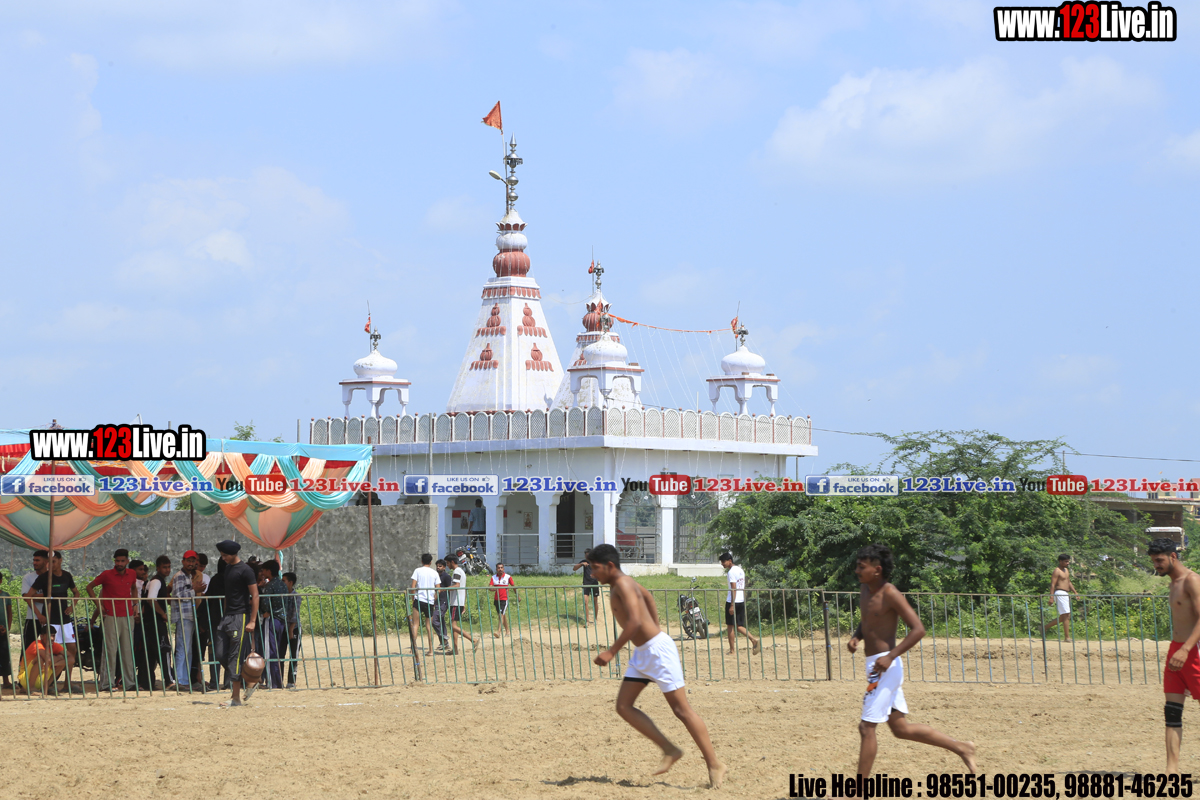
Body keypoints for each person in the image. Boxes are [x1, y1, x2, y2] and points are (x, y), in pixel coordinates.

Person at [588, 543, 725, 789]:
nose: (592, 573)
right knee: (623, 706)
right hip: (644, 653)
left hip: (658, 652)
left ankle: (715, 764)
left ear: (609, 566)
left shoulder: (624, 584)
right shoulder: (622, 584)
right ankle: (670, 749)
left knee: (682, 710)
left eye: (595, 568)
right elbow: (648, 597)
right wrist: (656, 627)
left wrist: (612, 651)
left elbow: (635, 621)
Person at [847, 543, 977, 777]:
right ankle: (962, 747)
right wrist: (857, 636)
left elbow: (918, 629)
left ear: (877, 570)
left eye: (861, 567)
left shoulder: (890, 593)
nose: (857, 570)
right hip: (877, 665)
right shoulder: (865, 589)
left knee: (866, 727)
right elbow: (867, 619)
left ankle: (858, 791)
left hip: (885, 667)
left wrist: (890, 656)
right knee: (901, 729)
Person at [1149, 537, 1200, 773]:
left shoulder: (1192, 580)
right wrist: (1179, 649)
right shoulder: (1172, 583)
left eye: (1159, 560)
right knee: (1171, 711)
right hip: (1176, 650)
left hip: (1193, 651)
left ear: (1173, 556)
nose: (1156, 565)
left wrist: (1186, 649)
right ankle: (1171, 772)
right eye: (1153, 561)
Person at [84, 548, 140, 692]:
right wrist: (99, 605)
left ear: (127, 561)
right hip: (111, 615)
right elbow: (89, 587)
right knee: (110, 650)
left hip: (127, 615)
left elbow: (134, 588)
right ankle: (106, 683)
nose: (119, 563)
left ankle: (129, 682)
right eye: (117, 561)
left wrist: (135, 605)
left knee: (127, 650)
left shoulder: (132, 573)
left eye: (122, 561)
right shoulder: (106, 574)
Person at [24, 550, 80, 692]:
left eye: (53, 561)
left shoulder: (67, 575)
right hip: (50, 618)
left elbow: (76, 592)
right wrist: (39, 615)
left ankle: (67, 684)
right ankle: (47, 684)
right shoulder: (44, 577)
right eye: (49, 562)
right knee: (50, 652)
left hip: (65, 619)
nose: (51, 564)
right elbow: (28, 596)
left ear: (60, 560)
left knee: (72, 649)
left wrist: (72, 606)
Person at [214, 539, 259, 707]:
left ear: (233, 554)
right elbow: (228, 594)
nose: (223, 558)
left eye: (225, 555)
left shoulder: (246, 570)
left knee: (235, 657)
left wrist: (252, 620)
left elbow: (255, 595)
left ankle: (235, 698)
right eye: (222, 555)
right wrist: (224, 615)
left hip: (241, 617)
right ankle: (249, 679)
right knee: (220, 654)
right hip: (227, 617)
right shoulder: (227, 569)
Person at [167, 550, 206, 691]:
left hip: (189, 615)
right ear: (183, 561)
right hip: (183, 615)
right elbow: (178, 595)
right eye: (188, 561)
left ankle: (185, 679)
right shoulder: (180, 576)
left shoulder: (188, 576)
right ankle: (180, 680)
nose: (191, 563)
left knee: (187, 649)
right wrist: (194, 590)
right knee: (182, 648)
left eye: (193, 561)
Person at [136, 555, 172, 690]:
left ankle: (146, 683)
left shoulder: (154, 581)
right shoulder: (156, 581)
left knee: (150, 653)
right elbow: (151, 599)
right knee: (164, 649)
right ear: (158, 568)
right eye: (164, 567)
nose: (167, 570)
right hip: (155, 622)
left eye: (168, 567)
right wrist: (162, 614)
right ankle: (169, 680)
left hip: (149, 622)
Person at [719, 552, 759, 656]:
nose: (722, 564)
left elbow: (734, 588)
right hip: (741, 600)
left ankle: (732, 650)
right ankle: (754, 640)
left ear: (729, 561)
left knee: (730, 626)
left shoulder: (731, 572)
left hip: (733, 601)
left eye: (723, 561)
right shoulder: (740, 570)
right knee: (739, 626)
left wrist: (732, 605)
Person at [259, 560, 288, 688]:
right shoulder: (282, 584)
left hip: (271, 620)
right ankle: (277, 681)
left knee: (269, 651)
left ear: (269, 571)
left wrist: (266, 611)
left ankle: (272, 682)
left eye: (264, 570)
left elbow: (265, 603)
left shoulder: (270, 586)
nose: (262, 573)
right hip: (281, 620)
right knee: (275, 651)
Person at [1041, 553, 1080, 641]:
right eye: (1066, 561)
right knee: (1066, 615)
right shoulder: (1057, 571)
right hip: (1059, 592)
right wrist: (1051, 597)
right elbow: (1053, 584)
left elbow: (1068, 582)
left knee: (1065, 616)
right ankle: (1067, 637)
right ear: (1060, 561)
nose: (1068, 563)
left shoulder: (1066, 570)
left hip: (1065, 593)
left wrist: (1075, 592)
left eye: (1068, 561)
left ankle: (1045, 627)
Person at [16, 627, 67, 695]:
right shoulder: (36, 644)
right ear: (41, 636)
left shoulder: (55, 645)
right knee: (40, 658)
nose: (52, 638)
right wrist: (59, 658)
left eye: (53, 636)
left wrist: (57, 662)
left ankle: (46, 686)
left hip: (42, 678)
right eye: (49, 636)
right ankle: (30, 688)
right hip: (26, 679)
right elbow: (48, 659)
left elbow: (71, 659)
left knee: (63, 661)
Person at [410, 553, 438, 656]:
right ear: (431, 562)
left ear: (422, 561)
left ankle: (413, 648)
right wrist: (434, 599)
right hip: (429, 601)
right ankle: (431, 650)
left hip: (419, 599)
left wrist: (413, 599)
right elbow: (438, 589)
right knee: (429, 626)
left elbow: (413, 587)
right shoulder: (434, 573)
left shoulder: (417, 571)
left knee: (415, 624)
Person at [445, 555, 474, 654]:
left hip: (456, 602)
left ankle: (473, 640)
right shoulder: (461, 571)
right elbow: (463, 588)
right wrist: (463, 603)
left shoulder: (457, 571)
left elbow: (457, 585)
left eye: (447, 563)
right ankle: (455, 649)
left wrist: (443, 589)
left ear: (452, 562)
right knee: (454, 626)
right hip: (458, 601)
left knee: (453, 626)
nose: (447, 565)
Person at [20, 550, 49, 649]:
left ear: (45, 562)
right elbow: (26, 597)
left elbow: (54, 596)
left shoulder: (52, 577)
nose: (34, 563)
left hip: (50, 617)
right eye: (34, 560)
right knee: (27, 647)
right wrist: (39, 614)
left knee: (49, 646)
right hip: (32, 617)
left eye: (37, 560)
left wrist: (34, 597)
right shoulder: (28, 577)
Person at [281, 571, 302, 688]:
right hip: (283, 627)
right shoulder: (282, 595)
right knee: (280, 654)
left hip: (294, 628)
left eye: (284, 581)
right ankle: (279, 679)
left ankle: (291, 681)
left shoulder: (296, 596)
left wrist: (291, 629)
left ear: (290, 582)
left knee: (294, 655)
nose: (282, 583)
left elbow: (295, 614)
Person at [488, 563, 517, 638]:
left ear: (503, 569)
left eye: (501, 567)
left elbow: (513, 586)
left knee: (501, 615)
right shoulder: (493, 577)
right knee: (502, 615)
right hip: (496, 599)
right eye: (498, 568)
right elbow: (490, 587)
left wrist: (517, 595)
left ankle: (499, 632)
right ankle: (507, 630)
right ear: (496, 569)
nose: (500, 569)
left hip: (504, 599)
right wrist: (493, 589)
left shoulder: (508, 577)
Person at [573, 548, 601, 624]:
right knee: (585, 602)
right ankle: (587, 621)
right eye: (586, 555)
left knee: (595, 601)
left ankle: (595, 619)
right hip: (586, 583)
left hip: (594, 583)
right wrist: (581, 564)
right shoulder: (584, 562)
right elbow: (574, 569)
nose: (587, 557)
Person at [431, 559, 453, 652]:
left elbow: (450, 589)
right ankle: (444, 643)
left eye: (440, 566)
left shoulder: (446, 577)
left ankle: (444, 638)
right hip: (437, 601)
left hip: (443, 601)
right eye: (437, 566)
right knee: (441, 621)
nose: (438, 567)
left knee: (434, 620)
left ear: (444, 567)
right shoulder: (436, 576)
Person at [0, 575, 13, 689]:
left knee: (4, 655)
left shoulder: (5, 595)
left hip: (3, 630)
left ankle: (6, 681)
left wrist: (7, 629)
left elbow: (9, 613)